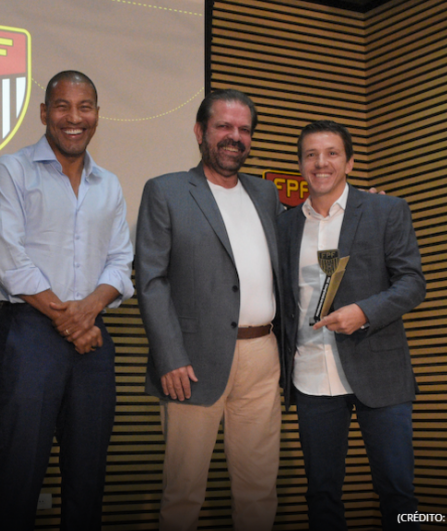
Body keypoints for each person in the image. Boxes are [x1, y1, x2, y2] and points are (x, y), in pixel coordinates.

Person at [0, 70, 134, 531]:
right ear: (44, 113)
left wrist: (88, 312)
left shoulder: (109, 185)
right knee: (20, 467)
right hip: (30, 332)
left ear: (97, 115)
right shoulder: (12, 171)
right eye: (63, 106)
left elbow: (120, 261)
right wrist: (70, 320)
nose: (74, 118)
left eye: (84, 107)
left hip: (93, 337)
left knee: (88, 473)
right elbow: (9, 260)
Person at [135, 89, 282, 531]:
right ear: (200, 131)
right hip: (191, 362)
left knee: (259, 490)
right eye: (224, 126)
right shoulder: (166, 190)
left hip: (262, 356)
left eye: (244, 129)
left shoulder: (266, 193)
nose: (234, 137)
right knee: (183, 493)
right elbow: (151, 280)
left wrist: (364, 202)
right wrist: (170, 356)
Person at [277, 120, 426, 530]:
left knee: (396, 491)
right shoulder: (284, 225)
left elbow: (412, 283)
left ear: (350, 163)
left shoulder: (385, 210)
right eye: (310, 155)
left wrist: (364, 311)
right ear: (300, 165)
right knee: (321, 493)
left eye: (331, 153)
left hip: (379, 369)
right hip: (310, 375)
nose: (320, 163)